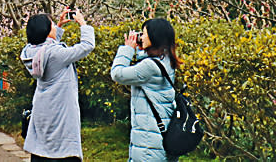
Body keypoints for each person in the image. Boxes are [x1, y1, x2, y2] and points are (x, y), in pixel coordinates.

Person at [20, 9, 95, 161]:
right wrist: (82, 23)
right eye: (52, 25)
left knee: (42, 150)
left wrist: (58, 26)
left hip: (42, 110)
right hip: (60, 110)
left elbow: (47, 47)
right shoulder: (55, 54)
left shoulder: (31, 52)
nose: (55, 27)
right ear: (46, 32)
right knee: (62, 152)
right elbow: (87, 45)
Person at [110, 18, 181, 162]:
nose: (141, 37)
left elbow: (117, 74)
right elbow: (146, 64)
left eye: (143, 34)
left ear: (154, 37)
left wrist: (127, 49)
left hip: (148, 144)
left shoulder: (150, 67)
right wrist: (141, 49)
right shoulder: (166, 59)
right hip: (160, 137)